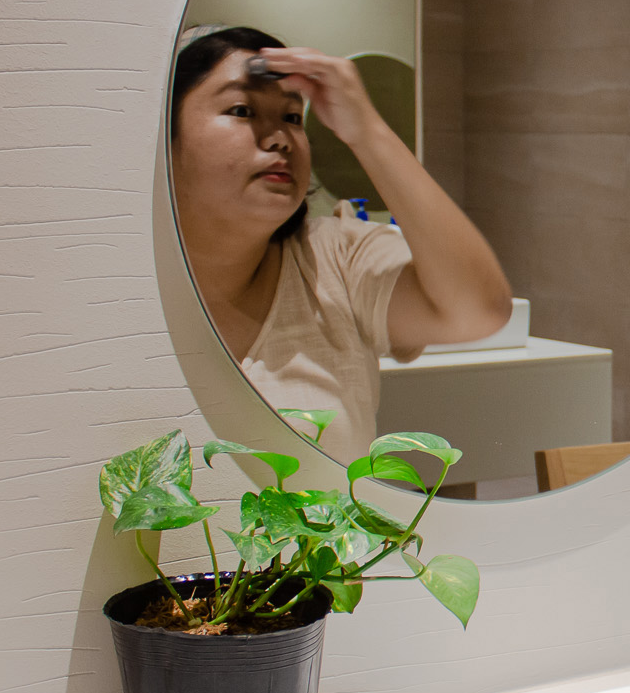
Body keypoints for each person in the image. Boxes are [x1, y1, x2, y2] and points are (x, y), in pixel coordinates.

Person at [168, 25, 511, 460]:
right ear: (163, 135)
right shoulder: (108, 281)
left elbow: (478, 311)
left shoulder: (338, 257)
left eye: (293, 118)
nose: (279, 138)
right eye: (241, 109)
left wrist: (366, 130)